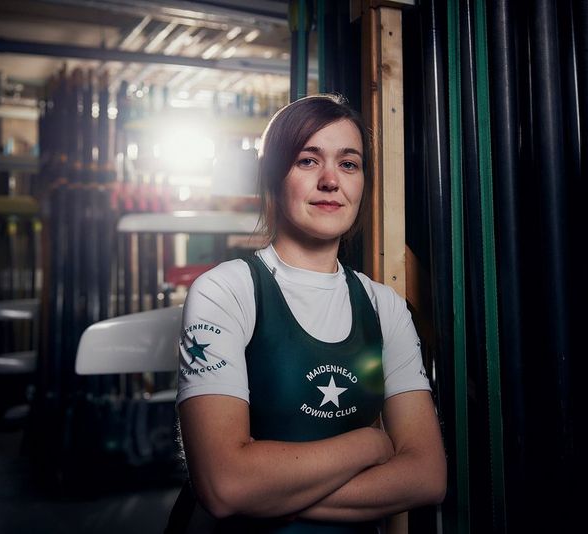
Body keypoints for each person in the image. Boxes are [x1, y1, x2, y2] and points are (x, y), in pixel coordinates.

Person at [173, 94, 446, 533]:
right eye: (307, 160)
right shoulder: (226, 291)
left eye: (349, 164)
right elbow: (225, 486)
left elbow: (426, 477)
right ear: (273, 176)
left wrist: (268, 493)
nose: (330, 181)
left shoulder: (384, 306)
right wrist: (369, 444)